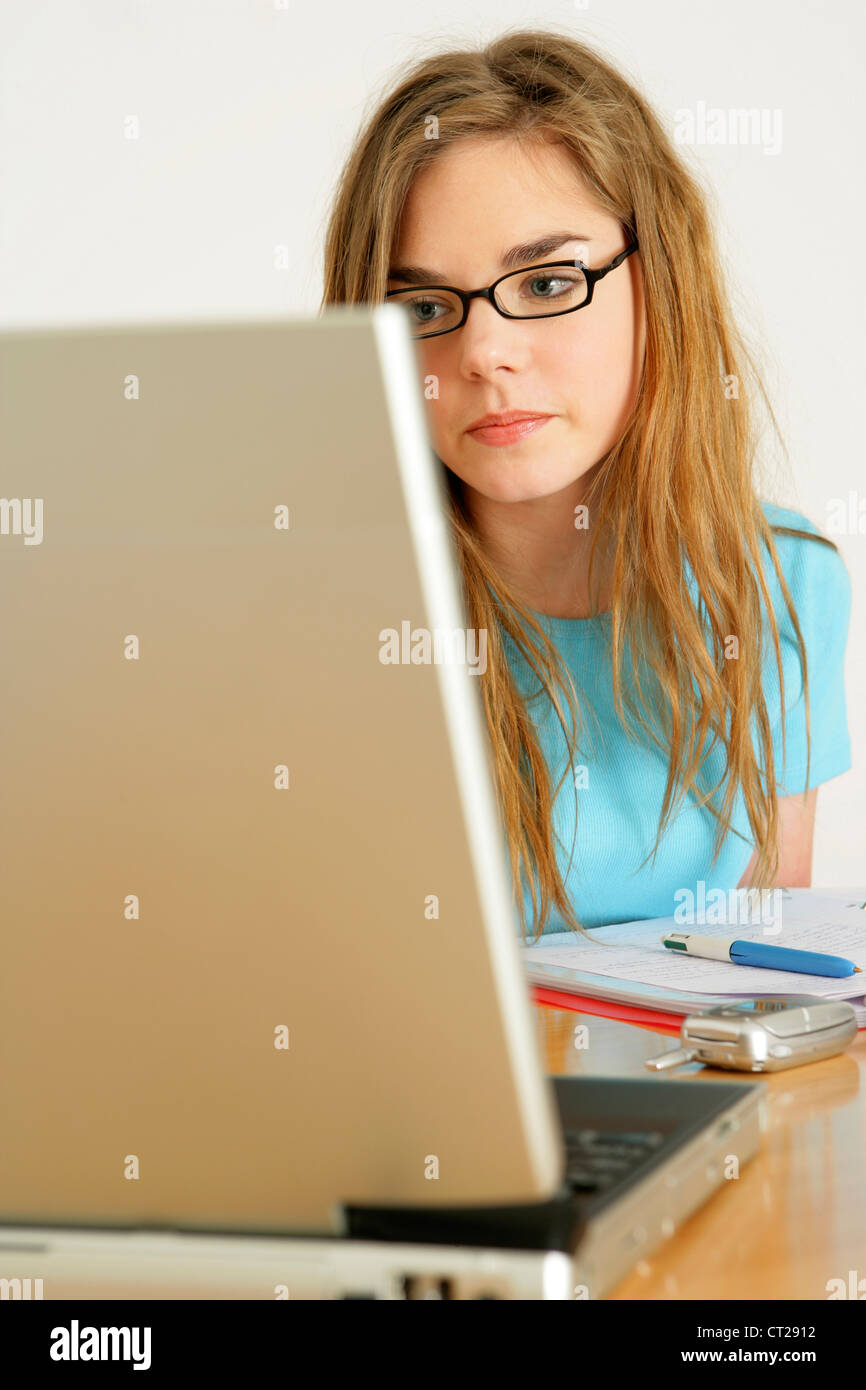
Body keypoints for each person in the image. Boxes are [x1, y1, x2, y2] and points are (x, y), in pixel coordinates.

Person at [320, 27, 852, 941]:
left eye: (546, 282)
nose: (483, 352)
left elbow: (774, 978)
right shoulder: (323, 616)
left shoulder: (785, 583)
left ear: (663, 284)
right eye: (421, 307)